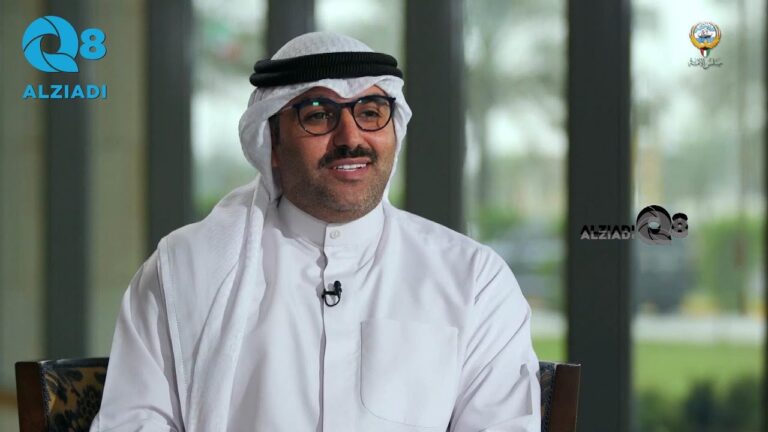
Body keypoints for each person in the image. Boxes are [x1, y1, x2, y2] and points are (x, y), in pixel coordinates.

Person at [91, 32, 540, 432]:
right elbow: (132, 422)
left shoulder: (473, 279)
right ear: (271, 142)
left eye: (370, 112)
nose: (350, 138)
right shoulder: (183, 270)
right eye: (319, 115)